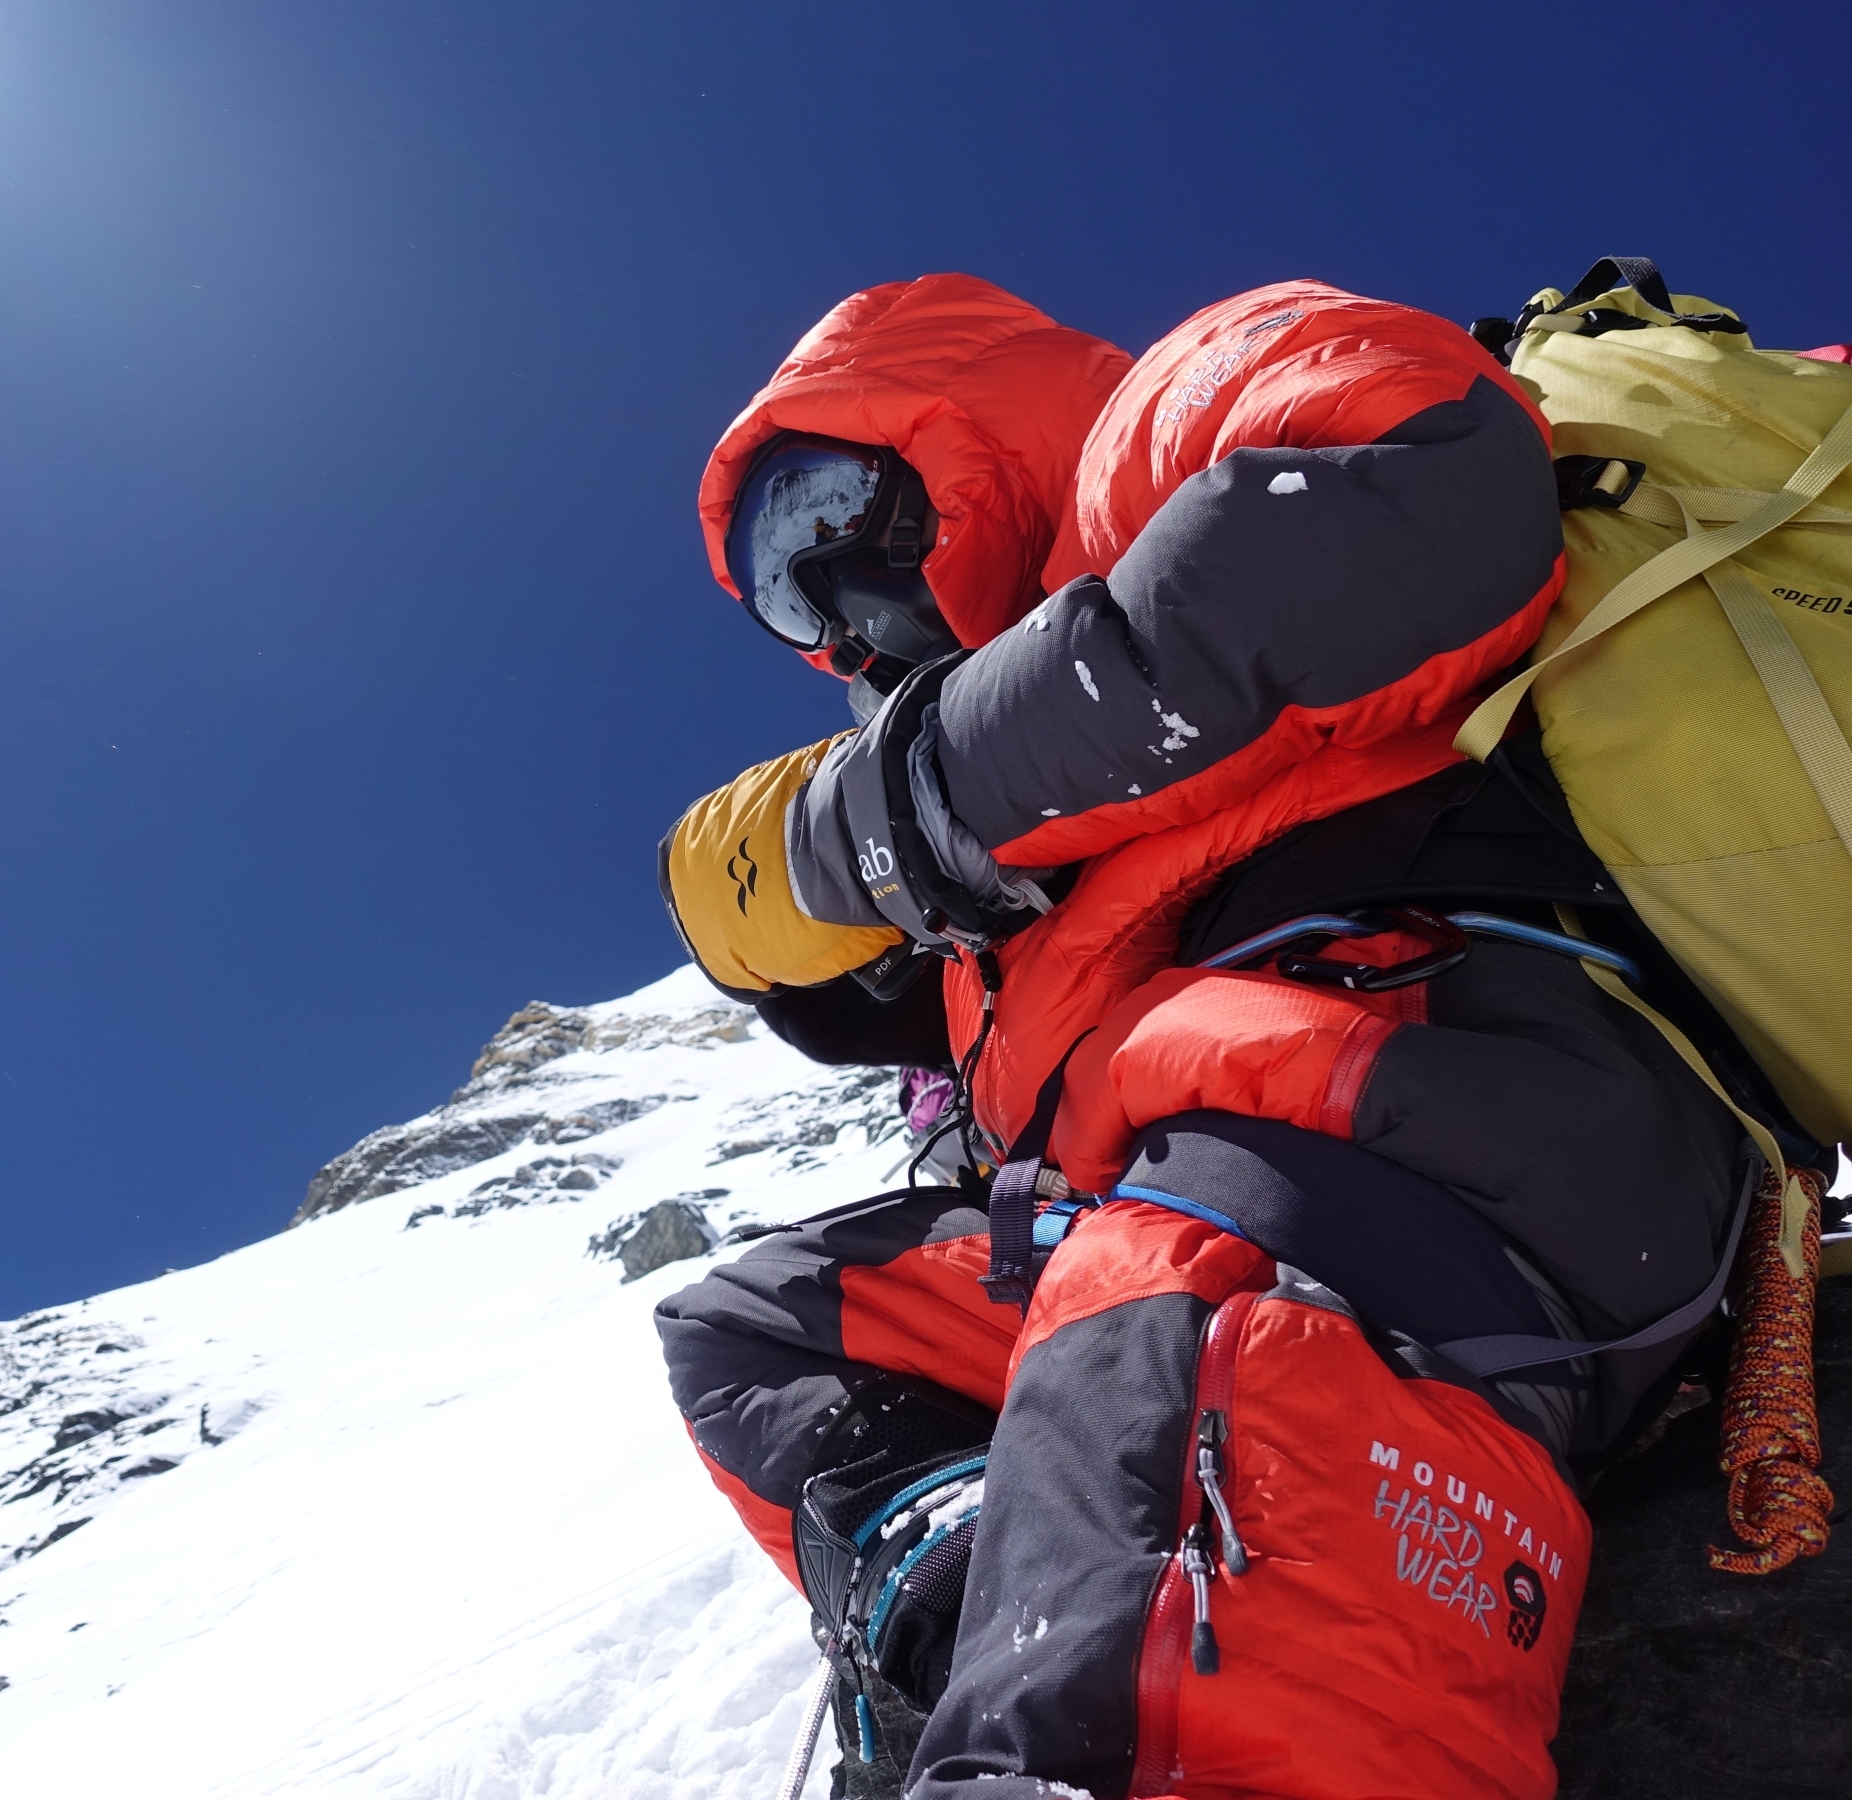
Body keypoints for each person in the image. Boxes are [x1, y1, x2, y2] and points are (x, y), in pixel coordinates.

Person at [650, 275, 1808, 1800]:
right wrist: (859, 837)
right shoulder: (1012, 889)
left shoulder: (1173, 418)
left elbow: (1418, 496)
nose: (838, 619)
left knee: (1191, 1293)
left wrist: (924, 792)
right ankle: (975, 1589)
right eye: (787, 599)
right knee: (767, 1323)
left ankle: (1134, 1712)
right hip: (1185, 1189)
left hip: (1431, 1107)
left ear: (965, 430)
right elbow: (772, 959)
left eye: (827, 515)